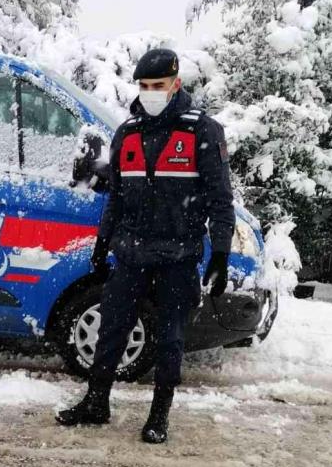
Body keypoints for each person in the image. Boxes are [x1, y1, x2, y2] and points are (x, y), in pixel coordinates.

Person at [57, 48, 235, 444]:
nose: (151, 92)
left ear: (176, 85)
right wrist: (103, 243)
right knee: (111, 330)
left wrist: (219, 253)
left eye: (159, 86)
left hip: (178, 255)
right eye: (144, 86)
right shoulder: (129, 133)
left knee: (170, 339)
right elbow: (117, 197)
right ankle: (97, 402)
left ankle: (158, 416)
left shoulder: (202, 132)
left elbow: (221, 199)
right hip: (131, 252)